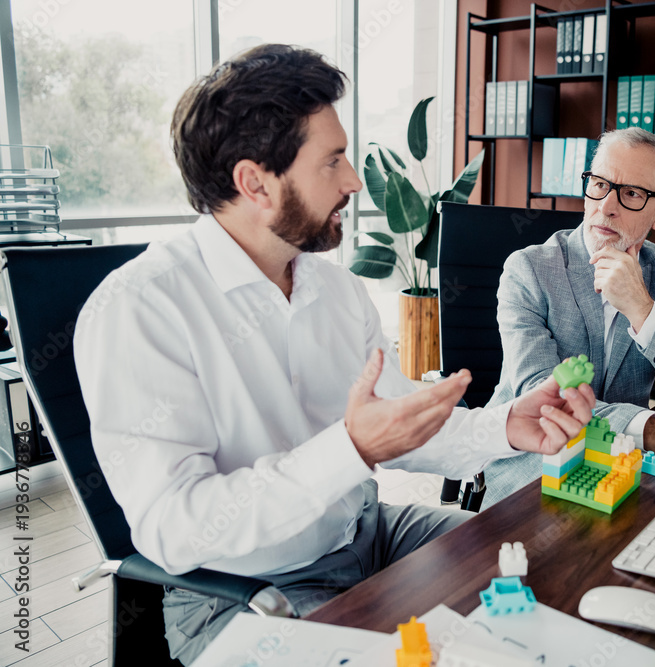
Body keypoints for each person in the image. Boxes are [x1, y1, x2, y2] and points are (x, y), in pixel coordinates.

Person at [73, 44, 595, 665]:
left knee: (547, 573)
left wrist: (506, 425)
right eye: (333, 162)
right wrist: (351, 449)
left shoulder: (335, 288)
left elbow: (401, 420)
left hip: (372, 536)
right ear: (255, 183)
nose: (352, 181)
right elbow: (176, 527)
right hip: (246, 591)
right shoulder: (140, 309)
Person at [481, 127, 655, 507]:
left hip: (622, 469)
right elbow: (544, 402)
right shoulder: (529, 270)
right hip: (535, 466)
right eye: (599, 184)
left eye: (632, 194)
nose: (607, 206)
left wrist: (641, 306)